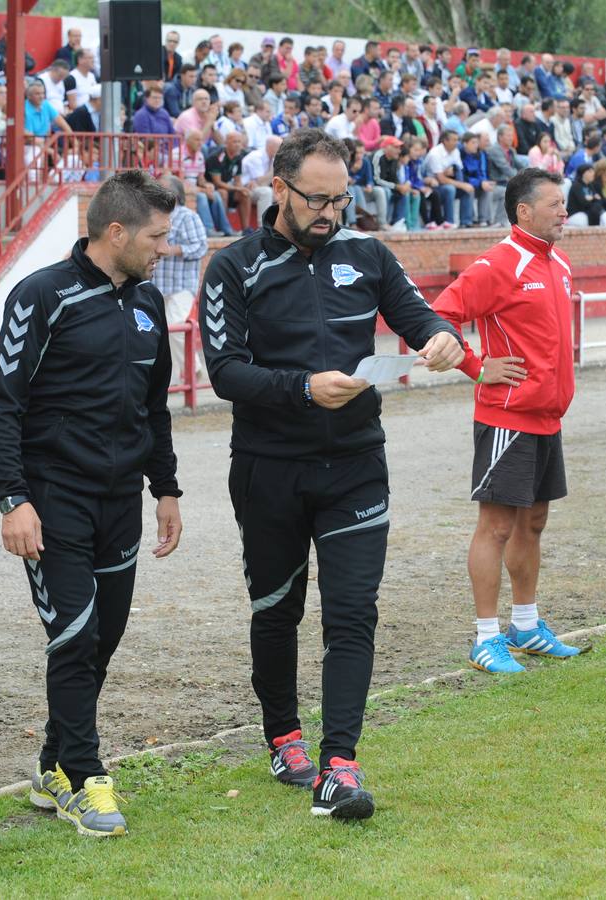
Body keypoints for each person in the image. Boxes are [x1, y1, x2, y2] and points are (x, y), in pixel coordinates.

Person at [198, 129, 465, 820]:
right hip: (269, 469)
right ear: (279, 189)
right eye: (316, 199)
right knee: (278, 609)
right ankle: (283, 734)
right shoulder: (234, 266)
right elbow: (224, 371)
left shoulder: (368, 253)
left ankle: (339, 765)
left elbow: (420, 318)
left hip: (355, 464)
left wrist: (441, 338)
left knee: (352, 612)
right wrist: (301, 388)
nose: (330, 212)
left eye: (340, 198)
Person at [0, 171, 183, 838]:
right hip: (52, 501)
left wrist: (167, 489)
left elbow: (152, 408)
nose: (164, 248)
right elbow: (3, 405)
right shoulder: (41, 296)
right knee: (73, 635)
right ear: (116, 231)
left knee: (103, 639)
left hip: (121, 500)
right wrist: (14, 499)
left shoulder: (150, 303)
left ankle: (52, 765)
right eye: (156, 236)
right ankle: (86, 779)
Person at [431, 168, 584, 674]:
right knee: (495, 526)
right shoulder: (499, 263)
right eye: (555, 204)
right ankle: (485, 637)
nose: (564, 211)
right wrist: (477, 367)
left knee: (533, 523)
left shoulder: (558, 262)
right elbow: (439, 314)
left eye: (564, 204)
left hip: (547, 418)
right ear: (524, 211)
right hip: (507, 419)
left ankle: (524, 624)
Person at [153, 176, 208, 380]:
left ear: (176, 194)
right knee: (163, 334)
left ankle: (193, 368)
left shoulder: (187, 216)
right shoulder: (154, 216)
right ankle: (175, 378)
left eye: (163, 189)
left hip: (181, 285)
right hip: (158, 285)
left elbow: (200, 246)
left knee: (175, 327)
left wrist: (173, 249)